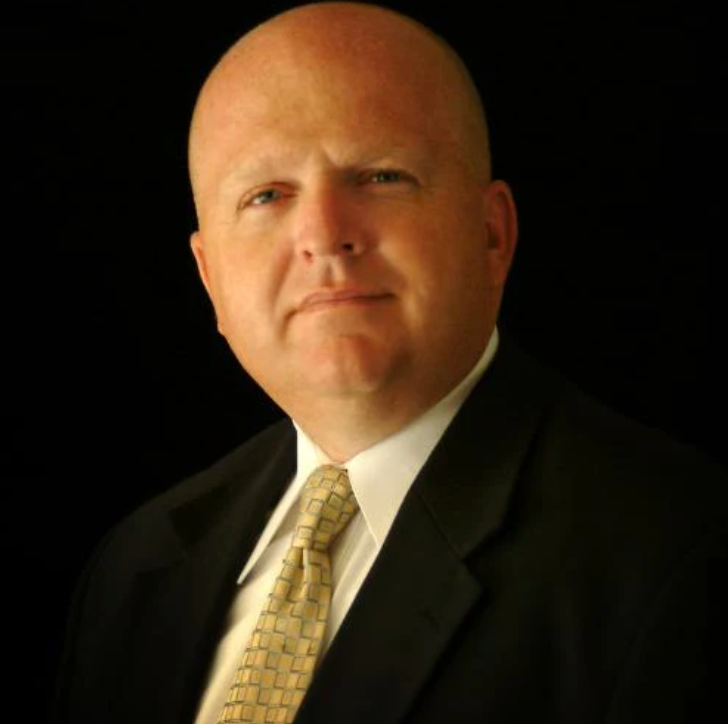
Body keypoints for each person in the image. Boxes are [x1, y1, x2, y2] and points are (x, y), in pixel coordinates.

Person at [51, 2, 727, 723]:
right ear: (210, 278)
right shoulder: (136, 567)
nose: (323, 235)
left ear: (491, 235)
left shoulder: (680, 555)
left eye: (380, 177)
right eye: (266, 195)